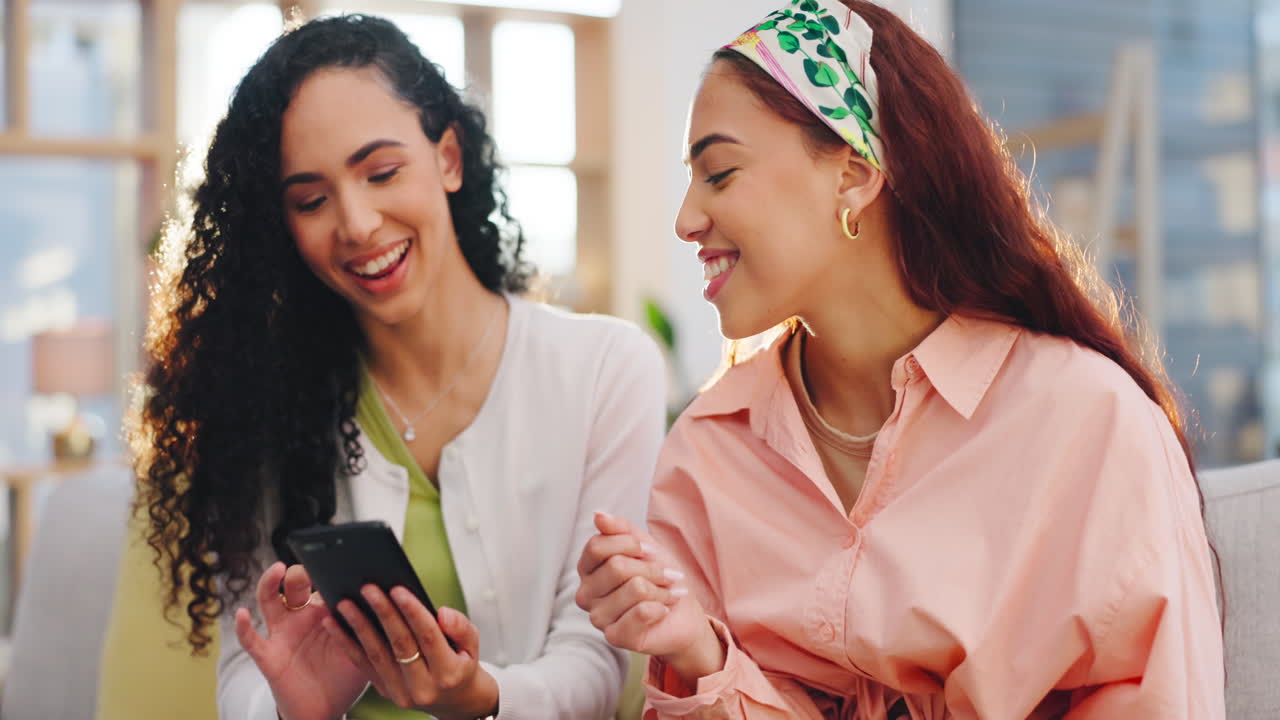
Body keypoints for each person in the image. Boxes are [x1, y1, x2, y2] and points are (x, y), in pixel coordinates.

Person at [575, 1, 1225, 717]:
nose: (685, 219)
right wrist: (698, 653)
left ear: (853, 175)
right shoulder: (706, 458)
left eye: (721, 173)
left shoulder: (1090, 424)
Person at [132, 14, 666, 720]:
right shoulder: (267, 399)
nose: (355, 224)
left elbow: (598, 658)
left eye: (382, 172)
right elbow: (245, 671)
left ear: (449, 157)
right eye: (311, 200)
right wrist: (296, 706)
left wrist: (480, 697)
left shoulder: (605, 369)